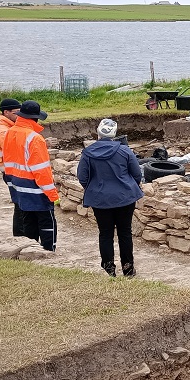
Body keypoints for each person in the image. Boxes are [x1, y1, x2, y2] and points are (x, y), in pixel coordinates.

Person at [77, 119, 144, 277]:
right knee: (125, 232)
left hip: (100, 199)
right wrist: (127, 187)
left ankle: (109, 268)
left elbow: (82, 177)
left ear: (98, 133)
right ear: (114, 134)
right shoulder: (124, 150)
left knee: (105, 233)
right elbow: (136, 174)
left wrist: (94, 189)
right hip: (125, 197)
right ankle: (128, 268)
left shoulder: (88, 153)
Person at [2, 100, 59, 251]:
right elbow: (41, 170)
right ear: (34, 118)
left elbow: (7, 162)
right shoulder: (35, 138)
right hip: (36, 189)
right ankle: (48, 255)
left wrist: (13, 187)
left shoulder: (9, 133)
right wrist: (52, 194)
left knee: (28, 224)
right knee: (47, 224)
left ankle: (29, 252)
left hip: (19, 187)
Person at [0, 98, 24, 237]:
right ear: (6, 112)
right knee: (20, 206)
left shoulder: (11, 126)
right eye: (17, 113)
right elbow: (14, 147)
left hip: (16, 171)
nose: (20, 115)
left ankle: (23, 236)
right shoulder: (1, 130)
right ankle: (19, 237)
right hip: (11, 173)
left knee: (22, 205)